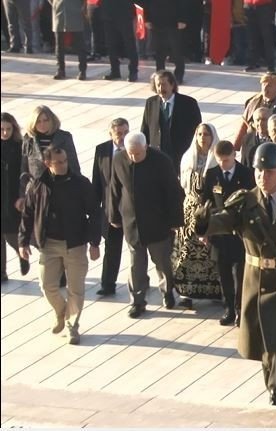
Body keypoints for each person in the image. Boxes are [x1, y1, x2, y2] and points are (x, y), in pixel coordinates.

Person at [196, 142, 276, 407]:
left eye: (268, 172)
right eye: (258, 171)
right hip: (256, 283)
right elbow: (223, 221)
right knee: (267, 348)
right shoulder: (245, 202)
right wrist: (204, 223)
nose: (262, 177)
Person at [19, 147, 100, 345]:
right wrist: (23, 242)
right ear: (48, 164)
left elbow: (95, 213)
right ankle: (61, 311)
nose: (64, 165)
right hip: (49, 244)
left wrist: (94, 243)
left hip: (75, 245)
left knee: (76, 289)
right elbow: (28, 214)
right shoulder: (38, 185)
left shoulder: (81, 184)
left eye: (65, 161)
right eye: (59, 162)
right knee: (46, 285)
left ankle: (72, 326)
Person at [109, 131, 185, 318]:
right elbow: (114, 188)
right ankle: (137, 300)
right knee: (136, 264)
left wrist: (175, 221)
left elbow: (174, 193)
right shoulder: (118, 160)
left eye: (138, 153)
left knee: (162, 262)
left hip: (157, 222)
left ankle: (167, 291)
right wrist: (113, 216)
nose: (134, 157)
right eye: (130, 153)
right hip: (132, 223)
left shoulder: (161, 161)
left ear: (146, 147)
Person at [200, 140, 255, 326]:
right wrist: (205, 230)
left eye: (226, 160)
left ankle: (240, 309)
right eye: (220, 160)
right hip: (219, 234)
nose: (223, 164)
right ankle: (229, 308)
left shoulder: (247, 174)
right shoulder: (212, 175)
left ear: (234, 155)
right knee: (223, 274)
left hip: (239, 233)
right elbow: (206, 202)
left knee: (240, 274)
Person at [173, 123, 222, 309]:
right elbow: (183, 186)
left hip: (210, 209)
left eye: (207, 134)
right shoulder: (188, 158)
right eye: (200, 134)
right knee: (187, 251)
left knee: (211, 253)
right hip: (190, 210)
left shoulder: (217, 160)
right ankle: (186, 293)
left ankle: (215, 292)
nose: (203, 138)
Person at [91, 118, 129, 296]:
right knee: (112, 248)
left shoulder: (135, 147)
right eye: (119, 133)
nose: (122, 137)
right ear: (111, 134)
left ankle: (140, 284)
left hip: (130, 209)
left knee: (138, 250)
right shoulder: (102, 150)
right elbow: (97, 182)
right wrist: (94, 209)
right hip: (111, 209)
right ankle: (108, 284)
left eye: (125, 133)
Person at [140, 70, 202, 173]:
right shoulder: (151, 103)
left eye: (164, 84)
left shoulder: (189, 103)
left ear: (172, 84)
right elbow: (145, 128)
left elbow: (197, 129)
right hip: (157, 156)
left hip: (180, 155)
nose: (160, 89)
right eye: (158, 85)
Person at [21, 106, 81, 196]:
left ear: (52, 120)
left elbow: (73, 165)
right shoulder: (28, 140)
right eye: (38, 121)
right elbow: (24, 170)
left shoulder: (64, 137)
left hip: (61, 190)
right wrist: (22, 195)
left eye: (46, 120)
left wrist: (77, 190)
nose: (42, 124)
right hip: (36, 193)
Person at [234, 72, 276, 151]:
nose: (265, 88)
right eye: (263, 84)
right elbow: (244, 126)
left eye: (269, 85)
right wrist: (236, 146)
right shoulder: (253, 101)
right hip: (255, 142)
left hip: (275, 143)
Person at [1, 112, 29, 281]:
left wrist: (22, 195)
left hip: (13, 197)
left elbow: (24, 172)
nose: (5, 133)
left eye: (8, 129)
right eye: (2, 129)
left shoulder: (20, 147)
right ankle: (2, 272)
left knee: (12, 234)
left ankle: (22, 254)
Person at [144, 0, 188, 83]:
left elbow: (183, 3)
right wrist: (147, 19)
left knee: (176, 49)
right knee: (159, 50)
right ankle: (160, 74)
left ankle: (179, 75)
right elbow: (147, 2)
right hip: (156, 20)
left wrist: (183, 19)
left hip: (173, 20)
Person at [101, 0, 138, 82]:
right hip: (108, 13)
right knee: (111, 44)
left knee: (129, 44)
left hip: (124, 13)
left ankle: (133, 71)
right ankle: (115, 70)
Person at [50, 0, 87, 80]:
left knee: (80, 44)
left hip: (75, 10)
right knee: (59, 44)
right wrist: (55, 4)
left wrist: (82, 6)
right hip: (59, 10)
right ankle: (60, 69)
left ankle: (82, 70)